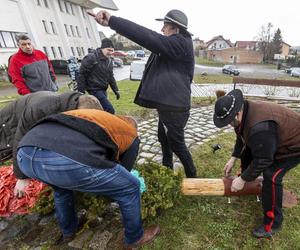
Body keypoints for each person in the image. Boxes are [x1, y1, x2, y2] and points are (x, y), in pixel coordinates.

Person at [16, 109, 160, 248]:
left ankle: (68, 232)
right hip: (62, 159)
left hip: (25, 154)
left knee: (61, 189)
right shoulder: (131, 134)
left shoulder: (97, 117)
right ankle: (135, 238)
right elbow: (123, 170)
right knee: (130, 187)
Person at [90, 9, 197, 177]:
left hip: (175, 108)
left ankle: (193, 177)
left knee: (177, 144)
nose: (162, 30)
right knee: (163, 137)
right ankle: (167, 168)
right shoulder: (174, 46)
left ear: (175, 29)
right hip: (168, 104)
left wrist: (113, 21)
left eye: (165, 27)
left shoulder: (180, 44)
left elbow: (148, 37)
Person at [213, 89, 300, 238]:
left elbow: (265, 159)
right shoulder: (244, 111)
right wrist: (233, 157)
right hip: (272, 139)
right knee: (250, 150)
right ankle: (249, 180)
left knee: (271, 176)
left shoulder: (259, 128)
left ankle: (272, 224)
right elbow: (241, 136)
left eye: (229, 122)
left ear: (238, 114)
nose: (229, 125)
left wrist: (242, 179)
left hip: (294, 146)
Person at [0, 91, 102, 196]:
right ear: (77, 111)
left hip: (26, 121)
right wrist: (22, 177)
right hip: (8, 126)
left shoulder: (71, 105)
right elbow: (19, 139)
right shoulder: (42, 108)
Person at [77, 38, 120, 114]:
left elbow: (110, 77)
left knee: (101, 111)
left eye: (112, 50)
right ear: (102, 48)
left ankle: (98, 124)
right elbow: (81, 74)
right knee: (110, 110)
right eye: (108, 50)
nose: (110, 52)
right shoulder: (91, 58)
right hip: (93, 89)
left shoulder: (109, 61)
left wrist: (116, 90)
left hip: (103, 89)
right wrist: (81, 91)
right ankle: (107, 125)